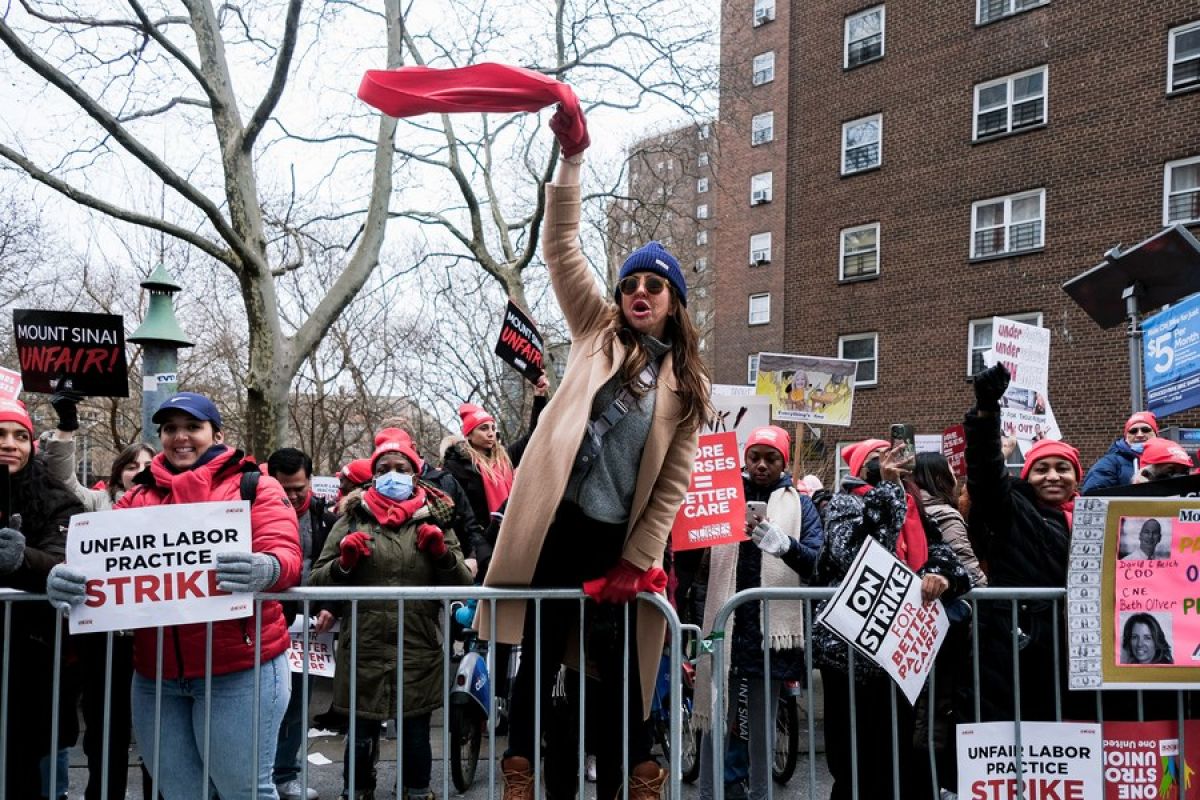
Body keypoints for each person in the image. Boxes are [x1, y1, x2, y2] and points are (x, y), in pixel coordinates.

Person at [479, 103, 709, 800]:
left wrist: (638, 563)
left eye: (655, 285)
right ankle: (519, 769)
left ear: (674, 301)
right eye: (632, 283)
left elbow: (671, 485)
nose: (639, 292)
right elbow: (561, 245)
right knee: (539, 653)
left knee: (611, 669)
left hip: (615, 541)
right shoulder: (593, 331)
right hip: (556, 525)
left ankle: (635, 773)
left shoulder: (688, 386)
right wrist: (573, 160)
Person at [46, 391, 302, 800]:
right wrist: (64, 579)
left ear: (216, 433)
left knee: (243, 790)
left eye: (192, 427)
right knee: (180, 792)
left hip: (240, 671)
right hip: (156, 676)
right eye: (169, 429)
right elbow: (101, 563)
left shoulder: (254, 486)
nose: (180, 437)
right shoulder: (137, 497)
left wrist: (266, 568)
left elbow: (286, 554)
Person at [309, 433, 473, 800]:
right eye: (384, 469)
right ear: (372, 475)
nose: (392, 474)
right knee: (362, 730)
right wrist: (344, 564)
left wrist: (441, 554)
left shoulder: (437, 519)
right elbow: (317, 581)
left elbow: (463, 581)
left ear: (416, 476)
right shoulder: (351, 518)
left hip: (418, 645)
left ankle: (417, 791)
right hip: (363, 644)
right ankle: (356, 790)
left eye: (401, 468)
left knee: (416, 728)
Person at [811, 438, 969, 800]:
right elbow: (854, 556)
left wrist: (940, 577)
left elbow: (954, 565)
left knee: (894, 756)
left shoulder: (914, 507)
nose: (890, 465)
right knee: (851, 758)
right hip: (851, 656)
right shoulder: (844, 503)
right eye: (878, 461)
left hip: (899, 658)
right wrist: (886, 493)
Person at [695, 425, 824, 800]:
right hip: (724, 625)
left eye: (772, 458)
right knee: (712, 720)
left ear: (784, 462)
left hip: (770, 632)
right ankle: (708, 794)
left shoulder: (800, 505)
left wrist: (783, 544)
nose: (762, 465)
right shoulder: (722, 494)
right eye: (755, 457)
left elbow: (815, 561)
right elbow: (692, 557)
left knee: (762, 730)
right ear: (744, 458)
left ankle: (761, 795)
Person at [43, 391, 155, 800]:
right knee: (105, 726)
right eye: (132, 465)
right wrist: (67, 428)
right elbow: (60, 477)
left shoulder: (168, 507)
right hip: (103, 642)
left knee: (155, 732)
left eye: (148, 465)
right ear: (120, 471)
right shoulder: (96, 503)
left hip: (151, 640)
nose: (139, 472)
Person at [965, 364, 1082, 722]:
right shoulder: (1012, 507)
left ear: (1077, 477)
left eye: (1062, 469)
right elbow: (986, 472)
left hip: (1075, 649)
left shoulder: (1092, 518)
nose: (1052, 476)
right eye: (1041, 468)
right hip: (1016, 645)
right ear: (1026, 474)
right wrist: (987, 410)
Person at [0, 399, 83, 799]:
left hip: (31, 660)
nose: (10, 444)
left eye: (20, 436)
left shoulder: (56, 498)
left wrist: (21, 560)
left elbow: (66, 559)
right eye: (0, 435)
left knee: (22, 771)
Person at [267, 447, 339, 800]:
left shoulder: (326, 517)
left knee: (297, 706)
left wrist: (330, 606)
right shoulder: (254, 512)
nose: (293, 496)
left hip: (309, 629)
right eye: (286, 489)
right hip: (266, 623)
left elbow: (334, 566)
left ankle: (286, 775)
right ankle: (257, 775)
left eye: (300, 488)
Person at [1080, 411, 1158, 494]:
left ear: (1156, 434)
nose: (1139, 434)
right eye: (1133, 431)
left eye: (1145, 430)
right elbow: (1092, 495)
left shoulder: (1169, 459)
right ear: (1126, 437)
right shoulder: (1110, 463)